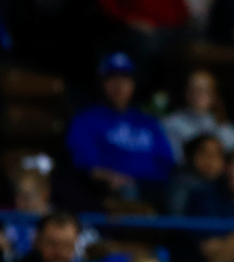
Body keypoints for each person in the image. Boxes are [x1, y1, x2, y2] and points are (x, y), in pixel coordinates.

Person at [65, 53, 175, 208]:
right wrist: (110, 177)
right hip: (108, 191)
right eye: (112, 78)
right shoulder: (86, 119)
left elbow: (166, 162)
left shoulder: (147, 122)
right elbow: (85, 166)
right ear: (101, 83)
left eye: (125, 78)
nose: (119, 84)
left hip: (151, 189)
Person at [162, 70, 234, 159]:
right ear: (186, 93)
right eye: (193, 89)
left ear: (214, 95)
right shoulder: (170, 123)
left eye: (204, 90)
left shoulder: (228, 130)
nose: (198, 95)